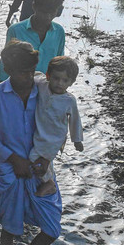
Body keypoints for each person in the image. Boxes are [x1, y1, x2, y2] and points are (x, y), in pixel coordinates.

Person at [0, 40, 62, 245]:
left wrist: (47, 157)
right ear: (8, 70)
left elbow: (58, 126)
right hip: (10, 170)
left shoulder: (44, 92)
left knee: (52, 227)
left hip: (40, 168)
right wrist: (13, 158)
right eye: (22, 72)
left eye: (31, 71)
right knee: (10, 225)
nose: (28, 77)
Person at [30, 56, 84, 198]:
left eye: (65, 80)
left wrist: (77, 140)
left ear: (72, 82)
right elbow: (33, 75)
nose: (59, 83)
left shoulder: (69, 100)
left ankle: (49, 183)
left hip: (56, 137)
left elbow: (75, 120)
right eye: (56, 78)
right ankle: (47, 180)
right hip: (41, 132)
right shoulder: (42, 85)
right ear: (48, 76)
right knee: (40, 157)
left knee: (35, 157)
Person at [0, 0, 65, 80]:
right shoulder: (16, 30)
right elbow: (6, 62)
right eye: (43, 12)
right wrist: (2, 85)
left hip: (46, 86)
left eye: (52, 12)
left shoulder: (59, 32)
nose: (47, 17)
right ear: (34, 6)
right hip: (20, 84)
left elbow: (59, 63)